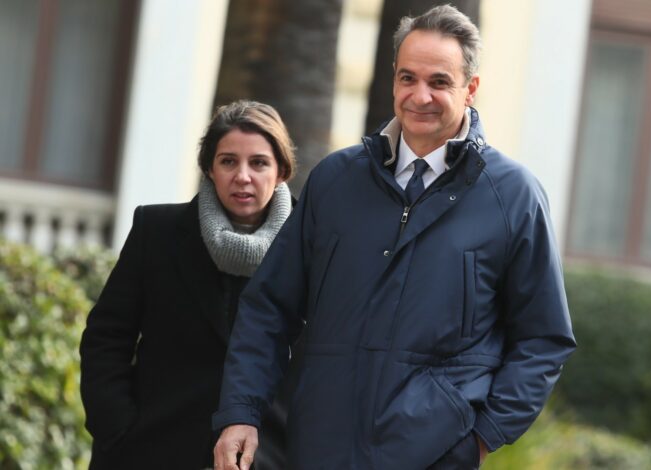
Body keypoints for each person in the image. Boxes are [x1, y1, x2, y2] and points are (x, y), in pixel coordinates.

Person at [213, 5, 576, 470]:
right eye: (408, 78)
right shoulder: (335, 180)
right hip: (319, 449)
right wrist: (241, 414)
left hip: (433, 455)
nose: (419, 96)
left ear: (470, 89)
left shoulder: (512, 196)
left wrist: (481, 438)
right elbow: (268, 308)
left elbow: (544, 338)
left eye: (439, 82)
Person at [80, 100, 296, 469]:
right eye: (228, 161)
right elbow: (107, 337)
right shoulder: (157, 231)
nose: (243, 176)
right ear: (210, 168)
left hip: (266, 456)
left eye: (259, 163)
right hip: (150, 449)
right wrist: (116, 428)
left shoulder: (311, 247)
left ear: (281, 172)